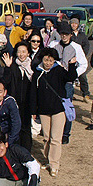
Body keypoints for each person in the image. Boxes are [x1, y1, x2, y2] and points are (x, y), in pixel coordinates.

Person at [29, 47, 77, 177]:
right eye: (46, 60)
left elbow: (71, 77)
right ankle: (49, 160)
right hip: (44, 110)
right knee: (46, 138)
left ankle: (54, 164)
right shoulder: (37, 74)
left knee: (56, 138)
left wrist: (72, 65)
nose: (48, 63)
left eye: (51, 60)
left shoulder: (59, 70)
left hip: (58, 110)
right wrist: (33, 110)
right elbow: (33, 93)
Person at [49, 26, 87, 144]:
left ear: (71, 34)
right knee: (52, 106)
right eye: (62, 33)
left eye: (66, 34)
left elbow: (84, 64)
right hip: (54, 81)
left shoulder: (76, 47)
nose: (64, 36)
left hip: (67, 83)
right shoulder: (53, 45)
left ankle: (66, 133)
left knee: (66, 107)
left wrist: (74, 74)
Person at [2, 42, 34, 150]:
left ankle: (26, 151)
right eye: (19, 51)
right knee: (15, 127)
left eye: (24, 51)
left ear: (28, 53)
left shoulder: (32, 67)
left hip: (27, 102)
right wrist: (7, 67)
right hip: (15, 102)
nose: (21, 54)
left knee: (26, 128)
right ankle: (15, 150)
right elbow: (6, 82)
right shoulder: (13, 66)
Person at [69, 17, 91, 101]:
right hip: (70, 59)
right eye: (72, 23)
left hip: (80, 59)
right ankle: (70, 94)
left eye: (75, 23)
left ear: (78, 24)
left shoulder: (82, 35)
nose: (73, 25)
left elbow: (86, 45)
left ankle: (85, 94)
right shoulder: (69, 34)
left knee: (82, 77)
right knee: (70, 78)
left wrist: (82, 55)